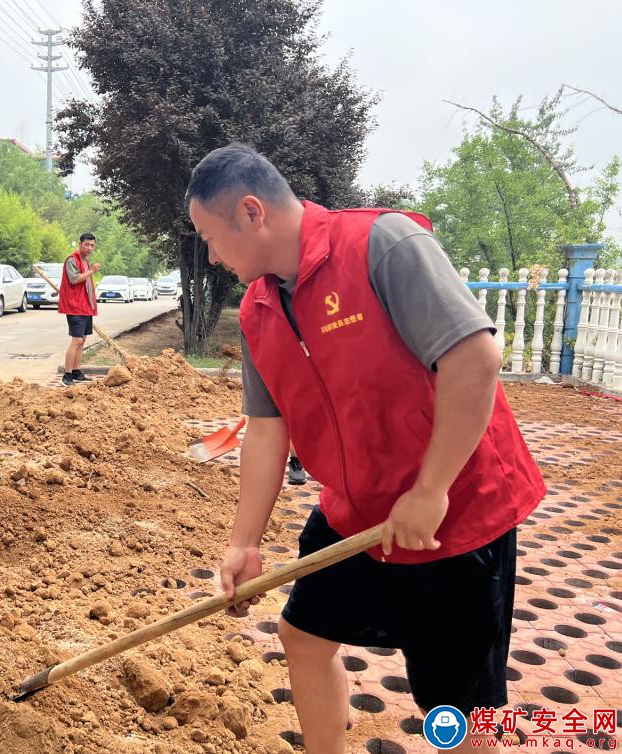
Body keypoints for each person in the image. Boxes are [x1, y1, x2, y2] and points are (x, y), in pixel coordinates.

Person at [186, 144, 545, 754]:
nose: (213, 258)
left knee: (457, 703)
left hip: (451, 513)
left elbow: (474, 358)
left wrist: (431, 490)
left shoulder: (384, 245)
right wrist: (243, 544)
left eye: (211, 238)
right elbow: (268, 430)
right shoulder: (259, 308)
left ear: (252, 212)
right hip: (356, 510)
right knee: (303, 635)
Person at [58, 233, 100, 387]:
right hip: (75, 306)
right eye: (87, 244)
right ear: (80, 244)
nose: (89, 248)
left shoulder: (85, 260)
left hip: (85, 307)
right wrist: (92, 271)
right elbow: (74, 279)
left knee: (82, 341)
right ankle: (67, 375)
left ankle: (76, 371)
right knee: (76, 341)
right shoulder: (72, 259)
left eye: (92, 245)